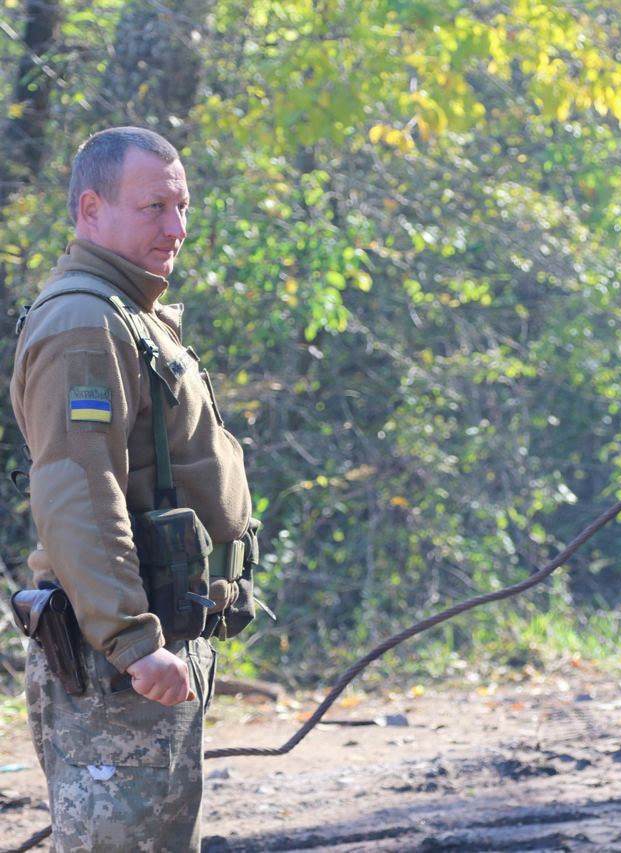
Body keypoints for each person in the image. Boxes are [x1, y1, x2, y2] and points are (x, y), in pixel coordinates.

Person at [10, 126, 256, 851]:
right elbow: (78, 490)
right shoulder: (85, 322)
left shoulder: (128, 314)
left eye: (181, 207)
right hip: (117, 660)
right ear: (92, 210)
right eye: (154, 207)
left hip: (151, 642)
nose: (176, 228)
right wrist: (131, 638)